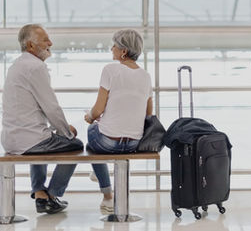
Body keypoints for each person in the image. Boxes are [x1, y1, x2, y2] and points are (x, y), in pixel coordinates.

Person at [1, 24, 84, 215]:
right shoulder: (36, 67)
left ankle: (39, 192)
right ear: (31, 46)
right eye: (45, 40)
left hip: (12, 138)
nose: (50, 43)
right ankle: (51, 195)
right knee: (76, 147)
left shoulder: (17, 65)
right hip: (29, 139)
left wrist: (59, 131)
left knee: (45, 139)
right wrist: (67, 133)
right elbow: (51, 107)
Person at [84, 29, 153, 213]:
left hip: (107, 143)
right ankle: (100, 173)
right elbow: (148, 113)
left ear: (123, 51)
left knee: (91, 134)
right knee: (100, 136)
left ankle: (107, 194)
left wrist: (89, 117)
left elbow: (98, 110)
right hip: (134, 143)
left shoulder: (110, 70)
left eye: (114, 45)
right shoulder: (146, 76)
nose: (111, 48)